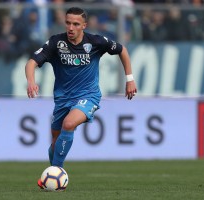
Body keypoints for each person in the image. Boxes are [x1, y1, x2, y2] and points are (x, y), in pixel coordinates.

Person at [24, 7, 137, 189]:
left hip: (88, 96)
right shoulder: (56, 43)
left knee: (69, 124)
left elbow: (122, 50)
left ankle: (56, 173)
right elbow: (31, 63)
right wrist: (31, 82)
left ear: (84, 25)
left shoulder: (96, 42)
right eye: (68, 23)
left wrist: (129, 79)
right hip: (62, 99)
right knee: (55, 142)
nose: (71, 27)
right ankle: (55, 172)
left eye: (76, 24)